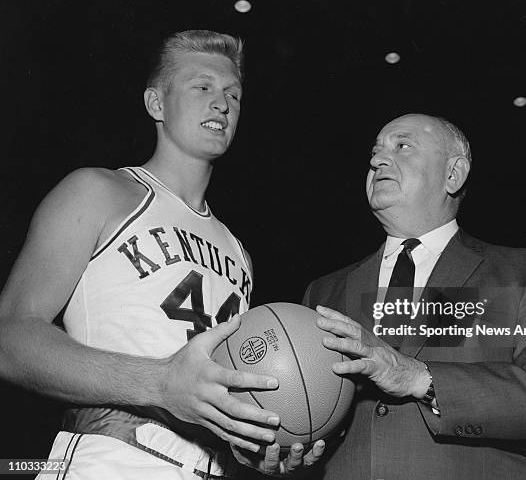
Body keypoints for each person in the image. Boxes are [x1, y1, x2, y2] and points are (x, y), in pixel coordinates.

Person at [0, 30, 323, 479]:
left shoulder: (238, 251)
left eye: (233, 93)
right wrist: (159, 382)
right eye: (202, 86)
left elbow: (211, 387)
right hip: (112, 459)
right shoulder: (98, 192)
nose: (222, 103)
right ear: (156, 104)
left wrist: (258, 438)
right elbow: (9, 338)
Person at [303, 113, 526, 479]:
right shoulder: (324, 290)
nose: (377, 160)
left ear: (453, 174)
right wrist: (284, 452)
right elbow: (306, 421)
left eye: (402, 146)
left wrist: (419, 378)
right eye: (374, 153)